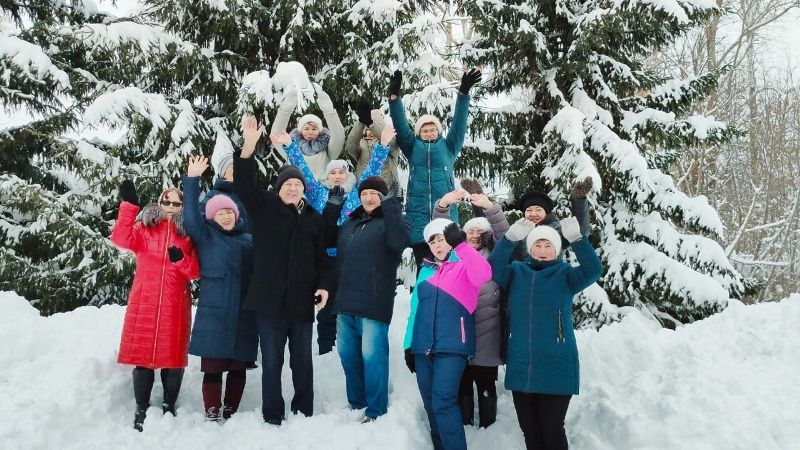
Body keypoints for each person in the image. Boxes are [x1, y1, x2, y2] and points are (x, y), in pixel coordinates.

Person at [234, 116, 331, 426]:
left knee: (302, 362)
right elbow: (244, 185)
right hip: (269, 303)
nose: (292, 188)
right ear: (278, 189)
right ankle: (272, 414)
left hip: (302, 303)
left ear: (303, 189)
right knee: (273, 362)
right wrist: (249, 146)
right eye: (287, 184)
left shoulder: (313, 218)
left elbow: (323, 259)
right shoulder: (263, 207)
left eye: (297, 184)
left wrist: (325, 286)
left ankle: (304, 411)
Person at [271, 125, 395, 355]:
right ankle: (325, 349)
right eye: (333, 173)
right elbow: (303, 172)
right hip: (323, 257)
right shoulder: (318, 192)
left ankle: (348, 347)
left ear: (347, 175)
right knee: (325, 303)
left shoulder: (356, 194)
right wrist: (290, 146)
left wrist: (384, 145)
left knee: (347, 303)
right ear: (327, 176)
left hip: (350, 258)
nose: (337, 176)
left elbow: (372, 170)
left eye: (341, 172)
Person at [488, 217, 602, 450]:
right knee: (530, 431)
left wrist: (578, 240)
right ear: (530, 248)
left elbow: (594, 269)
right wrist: (509, 240)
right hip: (522, 366)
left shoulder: (566, 276)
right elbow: (493, 267)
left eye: (548, 245)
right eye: (537, 245)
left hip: (556, 366)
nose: (542, 250)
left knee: (551, 430)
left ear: (556, 250)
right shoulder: (516, 273)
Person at [110, 181, 199, 431]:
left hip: (175, 302)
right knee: (143, 356)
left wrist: (181, 261)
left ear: (183, 206)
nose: (171, 206)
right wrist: (128, 207)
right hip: (145, 299)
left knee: (172, 357)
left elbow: (195, 272)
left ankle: (169, 405)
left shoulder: (188, 233)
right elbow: (120, 237)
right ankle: (142, 406)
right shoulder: (144, 228)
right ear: (159, 203)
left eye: (176, 202)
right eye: (166, 201)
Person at [403, 219, 492, 450]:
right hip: (423, 348)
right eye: (433, 241)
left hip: (453, 347)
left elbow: (484, 274)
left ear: (451, 241)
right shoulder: (425, 271)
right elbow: (415, 311)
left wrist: (462, 245)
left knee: (443, 400)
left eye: (442, 239)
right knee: (431, 404)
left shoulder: (464, 265)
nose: (438, 245)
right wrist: (408, 345)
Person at [182, 155, 258, 421]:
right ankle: (213, 411)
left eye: (230, 213)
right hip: (214, 310)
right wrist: (191, 180)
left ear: (237, 216)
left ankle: (231, 410)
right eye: (221, 213)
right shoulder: (206, 235)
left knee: (239, 366)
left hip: (243, 310)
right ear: (213, 216)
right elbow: (190, 218)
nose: (226, 216)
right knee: (212, 367)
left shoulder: (248, 239)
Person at [387, 68, 482, 271]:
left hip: (445, 219)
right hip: (418, 219)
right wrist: (394, 98)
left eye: (432, 129)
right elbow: (401, 125)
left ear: (438, 131)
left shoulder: (449, 147)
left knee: (449, 270)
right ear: (419, 132)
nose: (429, 132)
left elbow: (459, 123)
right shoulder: (412, 147)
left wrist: (463, 94)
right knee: (425, 271)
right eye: (424, 129)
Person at [334, 175, 411, 422]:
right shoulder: (350, 223)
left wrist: (391, 206)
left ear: (383, 197)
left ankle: (376, 409)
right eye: (364, 194)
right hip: (345, 301)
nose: (368, 198)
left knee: (372, 357)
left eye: (374, 194)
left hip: (374, 301)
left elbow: (400, 241)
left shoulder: (392, 222)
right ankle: (357, 403)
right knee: (348, 355)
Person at [433, 189, 508, 428]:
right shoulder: (454, 254)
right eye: (471, 230)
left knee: (486, 380)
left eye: (480, 231)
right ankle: (465, 424)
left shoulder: (494, 253)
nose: (475, 235)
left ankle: (489, 427)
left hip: (489, 324)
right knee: (462, 381)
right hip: (460, 325)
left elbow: (504, 233)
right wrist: (443, 205)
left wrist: (490, 208)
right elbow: (440, 229)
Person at [271, 85, 345, 181]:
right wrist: (286, 108)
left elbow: (338, 138)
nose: (310, 132)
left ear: (320, 131)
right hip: (298, 190)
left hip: (322, 191)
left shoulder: (327, 151)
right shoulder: (292, 150)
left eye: (314, 129)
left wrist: (329, 111)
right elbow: (276, 136)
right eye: (306, 129)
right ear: (301, 131)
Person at [513, 177, 593, 260]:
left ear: (546, 213)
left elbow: (580, 231)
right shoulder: (518, 230)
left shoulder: (556, 229)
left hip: (553, 272)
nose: (533, 214)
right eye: (529, 210)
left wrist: (579, 199)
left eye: (538, 210)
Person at [345, 101, 402, 196]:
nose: (371, 132)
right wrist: (361, 122)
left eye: (373, 129)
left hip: (388, 192)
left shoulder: (391, 142)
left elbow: (390, 143)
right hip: (364, 191)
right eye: (368, 129)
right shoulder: (361, 144)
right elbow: (351, 145)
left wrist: (371, 124)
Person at [199, 150, 249, 232]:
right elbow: (199, 216)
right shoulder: (214, 195)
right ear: (224, 173)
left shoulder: (250, 194)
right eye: (233, 167)